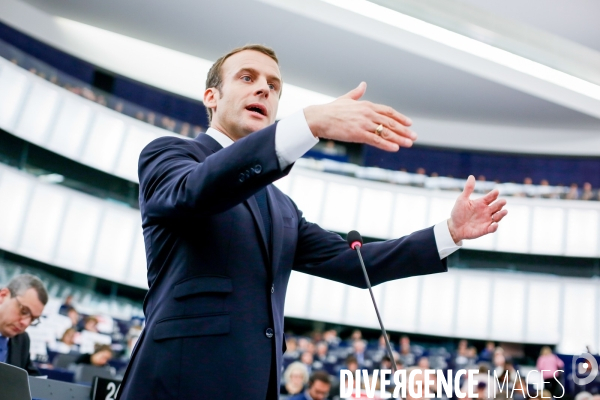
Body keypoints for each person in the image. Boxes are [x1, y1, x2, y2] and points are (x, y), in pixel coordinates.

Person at [117, 44, 507, 400]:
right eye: (247, 78)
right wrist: (309, 124)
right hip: (175, 383)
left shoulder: (281, 207)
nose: (264, 90)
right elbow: (198, 191)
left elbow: (354, 262)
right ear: (211, 97)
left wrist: (449, 234)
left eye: (274, 85)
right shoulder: (169, 155)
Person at [0, 274, 48, 375]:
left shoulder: (22, 340)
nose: (25, 323)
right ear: (3, 296)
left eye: (33, 319)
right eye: (24, 311)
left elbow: (31, 379)